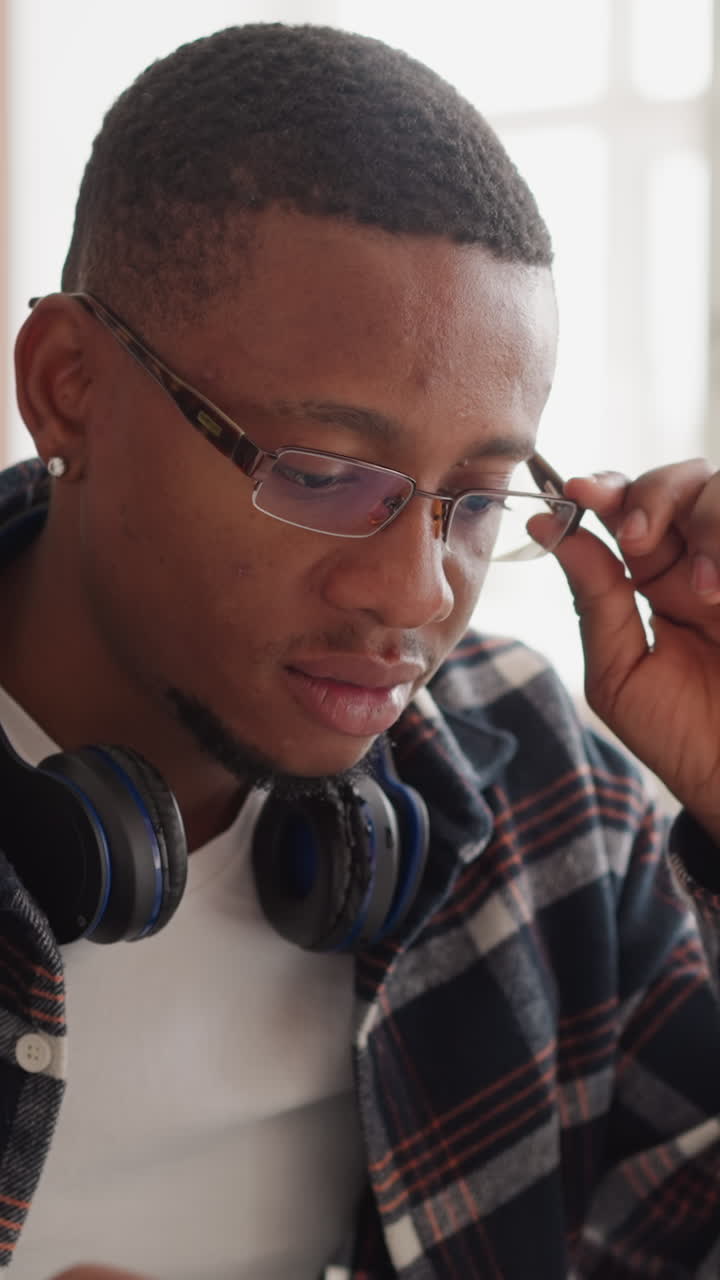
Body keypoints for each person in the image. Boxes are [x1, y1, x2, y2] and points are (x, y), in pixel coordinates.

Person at [1, 20, 720, 1280]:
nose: (415, 590)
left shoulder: (532, 785)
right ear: (70, 385)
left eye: (480, 497)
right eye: (326, 473)